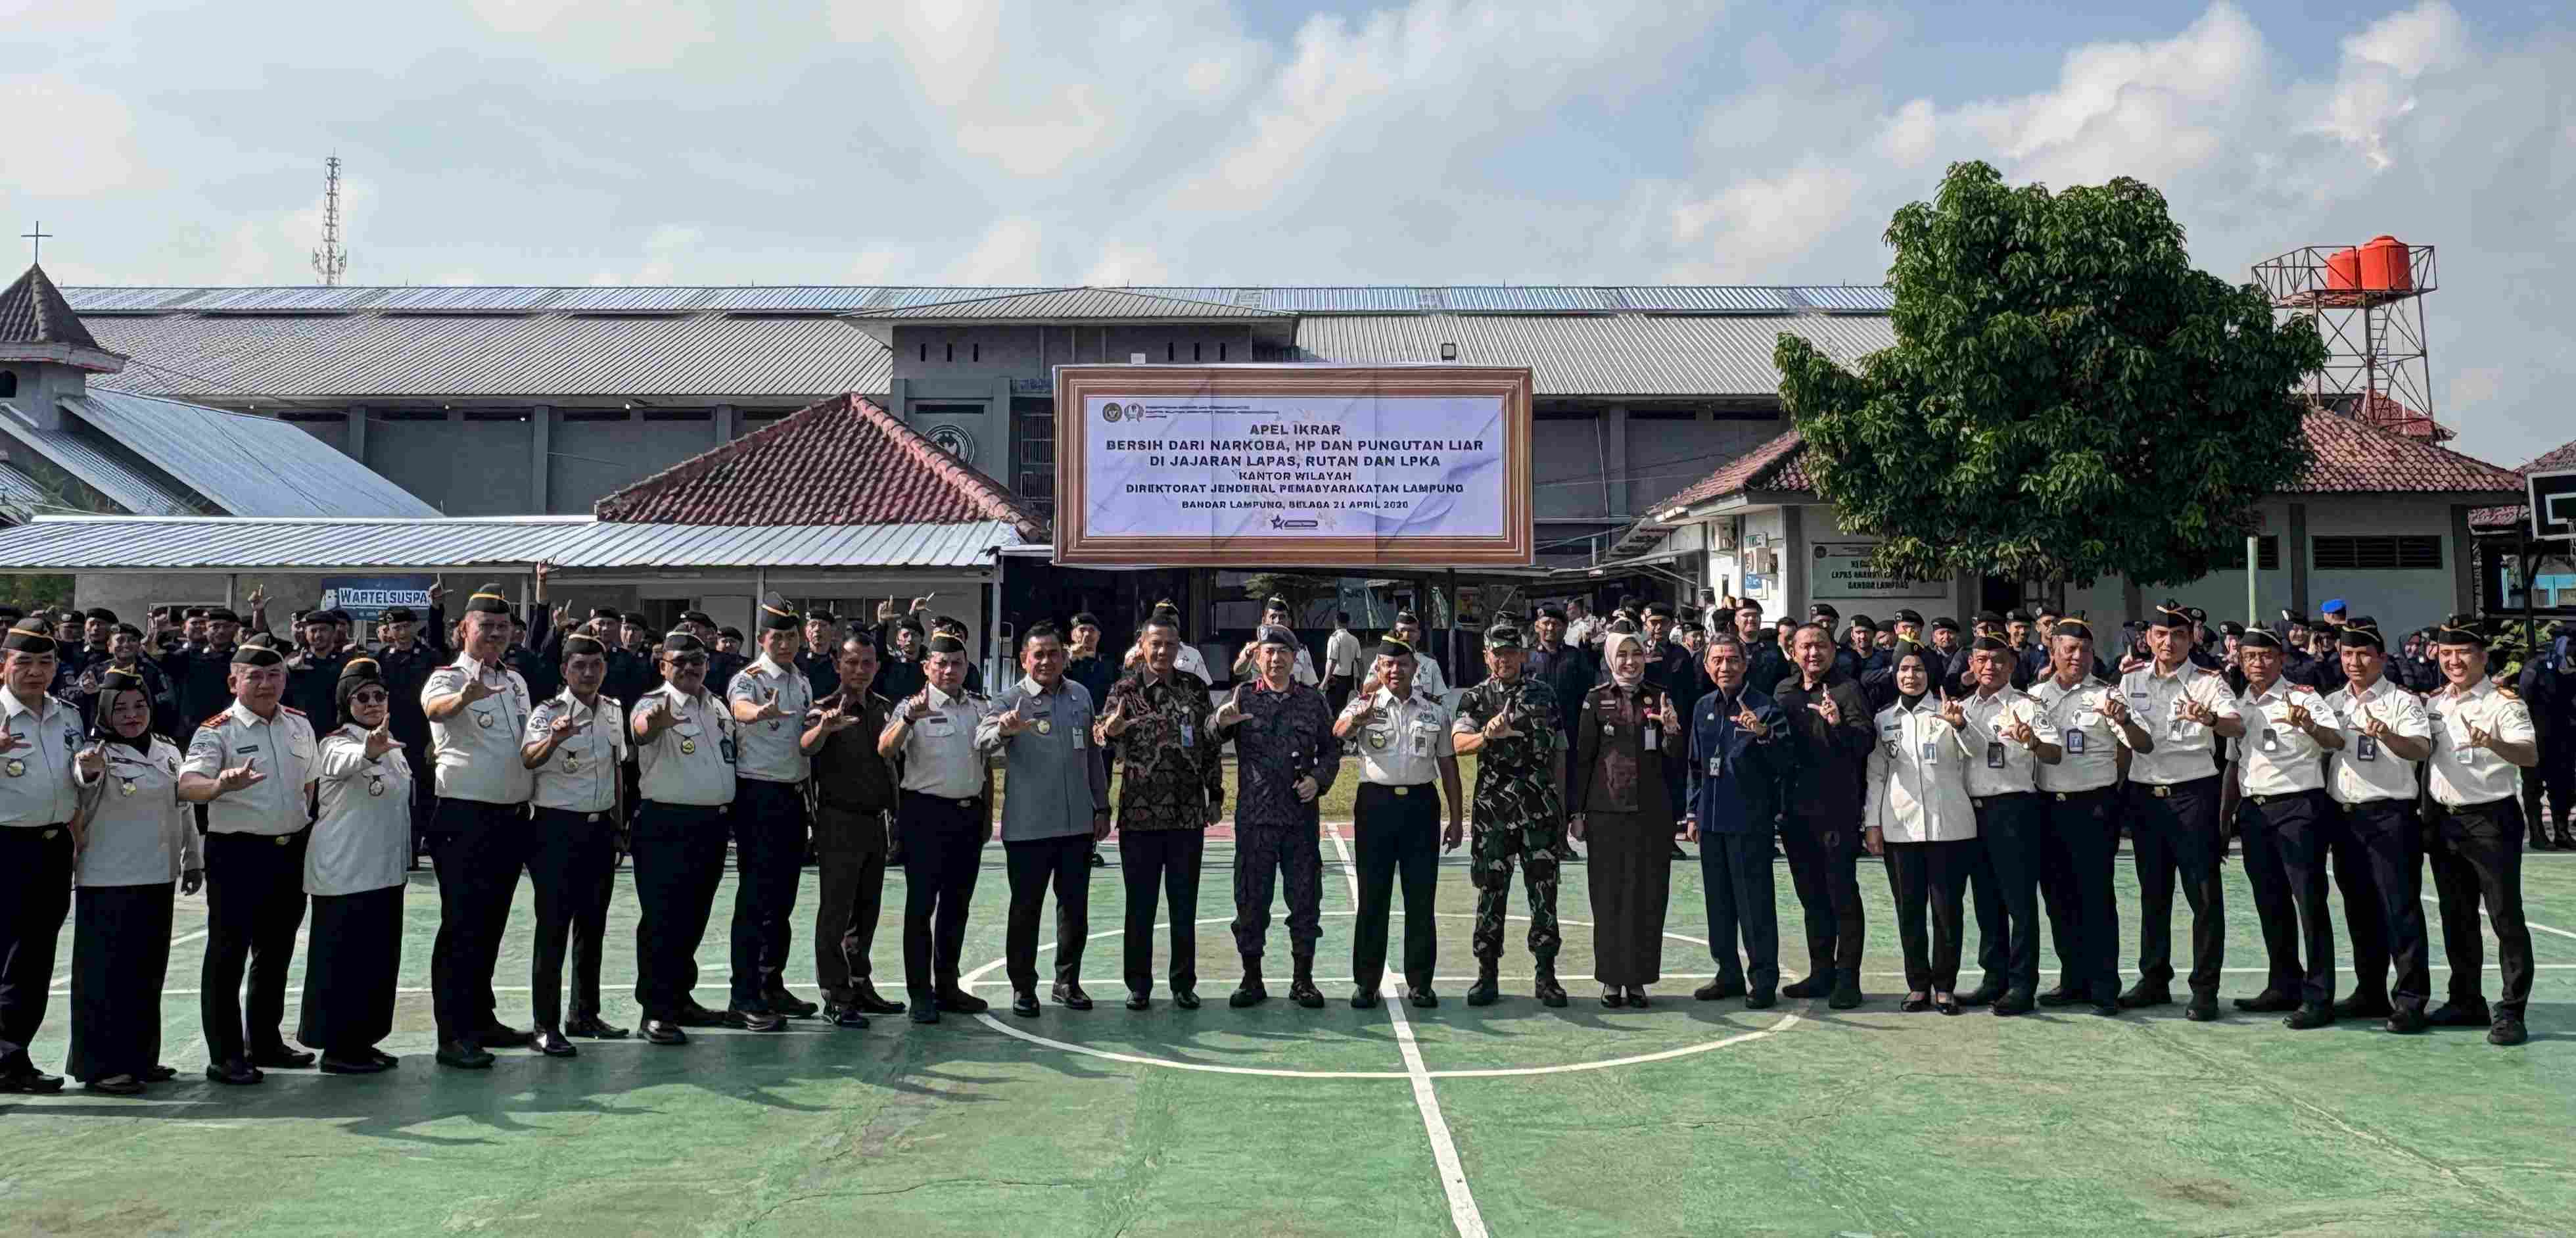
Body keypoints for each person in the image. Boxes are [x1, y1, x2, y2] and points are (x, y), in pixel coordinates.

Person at [177, 640, 320, 1085]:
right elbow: (188, 785)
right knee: (227, 954)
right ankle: (225, 1054)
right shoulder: (216, 730)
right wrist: (220, 783)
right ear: (233, 680)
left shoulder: (298, 724)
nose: (265, 683)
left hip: (289, 850)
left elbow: (311, 783)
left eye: (274, 675)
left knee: (276, 951)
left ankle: (265, 1040)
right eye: (254, 675)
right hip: (238, 852)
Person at [418, 584, 539, 1070]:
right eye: (484, 627)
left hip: (510, 819)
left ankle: (481, 1018)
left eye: (502, 628)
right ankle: (453, 1034)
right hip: (464, 819)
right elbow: (434, 710)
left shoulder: (515, 682)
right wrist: (465, 696)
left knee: (491, 925)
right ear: (462, 630)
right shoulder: (446, 677)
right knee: (461, 928)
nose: (494, 634)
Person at [63, 668, 200, 1094]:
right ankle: (101, 1065)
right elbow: (80, 792)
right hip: (108, 879)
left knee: (146, 973)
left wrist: (193, 859)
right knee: (104, 977)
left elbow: (185, 809)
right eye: (119, 708)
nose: (131, 715)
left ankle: (141, 1056)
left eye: (139, 705)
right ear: (104, 712)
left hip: (158, 875)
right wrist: (86, 772)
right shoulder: (95, 752)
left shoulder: (168, 751)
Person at [2118, 600, 2245, 1022]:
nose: (2168, 642)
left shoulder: (2209, 681)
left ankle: (2204, 988)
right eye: (2160, 635)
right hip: (2144, 796)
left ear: (2191, 638)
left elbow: (2234, 725)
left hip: (2194, 796)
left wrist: (2209, 718)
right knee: (2154, 895)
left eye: (2177, 635)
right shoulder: (2130, 679)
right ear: (2148, 639)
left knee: (2203, 896)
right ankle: (2154, 978)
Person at [978, 624, 1111, 1018]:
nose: (1047, 661)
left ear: (1064, 656)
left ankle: (1067, 982)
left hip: (1076, 828)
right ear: (1024, 660)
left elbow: (1091, 758)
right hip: (1029, 829)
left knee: (1074, 909)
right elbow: (982, 741)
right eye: (1039, 654)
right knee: (1026, 910)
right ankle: (1023, 987)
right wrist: (1003, 729)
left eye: (1054, 653)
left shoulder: (1080, 696)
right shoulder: (1009, 701)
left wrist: (1101, 807)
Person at [2421, 616, 2540, 1047]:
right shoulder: (2435, 704)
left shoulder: (2504, 703)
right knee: (2456, 916)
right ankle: (2465, 998)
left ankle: (2511, 1009)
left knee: (2505, 916)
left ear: (2481, 657)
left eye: (2463, 652)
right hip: (2445, 820)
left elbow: (2527, 755)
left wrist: (2494, 743)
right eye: (2446, 652)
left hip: (2490, 819)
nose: (2454, 660)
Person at [294, 659, 413, 1075]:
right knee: (341, 965)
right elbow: (342, 764)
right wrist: (369, 749)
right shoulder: (335, 743)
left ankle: (364, 1039)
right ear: (347, 702)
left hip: (384, 872)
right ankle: (338, 1048)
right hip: (345, 874)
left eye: (379, 695)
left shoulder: (392, 743)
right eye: (362, 697)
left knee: (377, 963)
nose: (372, 703)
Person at [1100, 614, 1223, 1009]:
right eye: (1156, 643)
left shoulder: (1194, 689)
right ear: (1143, 644)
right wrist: (1113, 730)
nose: (1163, 651)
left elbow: (1209, 745)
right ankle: (1138, 985)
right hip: (1139, 816)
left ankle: (1183, 983)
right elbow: (1101, 733)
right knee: (1140, 905)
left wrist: (1216, 795)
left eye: (1170, 644)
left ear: (1179, 647)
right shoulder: (1124, 689)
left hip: (1187, 816)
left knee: (1184, 905)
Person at [1333, 636, 1463, 1008]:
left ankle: (1420, 983)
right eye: (1387, 664)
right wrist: (1356, 718)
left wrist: (1456, 819)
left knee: (1421, 900)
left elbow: (1449, 767)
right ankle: (1367, 983)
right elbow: (1338, 731)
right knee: (1374, 898)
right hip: (1375, 806)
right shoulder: (1364, 705)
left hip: (1421, 807)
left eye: (1402, 664)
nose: (1394, 670)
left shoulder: (1434, 712)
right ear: (1378, 669)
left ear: (1414, 669)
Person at [2319, 619, 2435, 1033]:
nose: (2354, 661)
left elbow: (2421, 748)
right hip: (2345, 817)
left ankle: (2410, 998)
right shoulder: (2332, 702)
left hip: (2389, 817)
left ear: (2382, 658)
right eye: (2348, 654)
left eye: (2364, 654)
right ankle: (2370, 990)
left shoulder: (2402, 701)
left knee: (2399, 908)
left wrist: (2387, 736)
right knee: (2360, 909)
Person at [2222, 629, 2341, 1029]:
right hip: (2255, 814)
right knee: (2270, 903)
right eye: (2249, 657)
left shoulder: (2304, 698)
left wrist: (2309, 725)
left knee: (2309, 903)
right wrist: (2225, 819)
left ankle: (2319, 994)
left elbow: (2335, 740)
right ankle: (2283, 984)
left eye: (2266, 656)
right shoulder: (2239, 706)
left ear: (2281, 659)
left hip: (2298, 809)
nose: (2257, 663)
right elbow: (2233, 764)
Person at [1218, 625, 1340, 1009]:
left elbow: (1334, 749)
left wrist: (1318, 780)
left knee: (1305, 902)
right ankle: (1251, 979)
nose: (1276, 659)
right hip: (1255, 820)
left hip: (1299, 821)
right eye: (1269, 652)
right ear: (1258, 657)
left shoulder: (1312, 701)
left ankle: (1303, 980)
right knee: (1252, 903)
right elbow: (1211, 736)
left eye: (1283, 653)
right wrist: (1219, 722)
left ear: (1295, 658)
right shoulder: (1242, 697)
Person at [1449, 621, 1569, 1007]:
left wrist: (1564, 808)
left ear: (1523, 655)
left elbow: (1561, 752)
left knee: (1544, 895)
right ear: (1487, 656)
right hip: (1493, 814)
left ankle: (1546, 975)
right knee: (1490, 893)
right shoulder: (1475, 699)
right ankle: (1487, 975)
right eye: (1497, 653)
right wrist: (1488, 735)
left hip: (1540, 811)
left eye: (1512, 652)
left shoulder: (1544, 695)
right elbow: (1458, 743)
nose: (1505, 659)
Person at [521, 634, 631, 1052]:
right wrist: (554, 739)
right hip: (555, 830)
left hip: (599, 830)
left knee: (593, 925)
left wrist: (619, 825)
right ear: (565, 670)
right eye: (580, 666)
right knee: (553, 928)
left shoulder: (613, 710)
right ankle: (544, 1025)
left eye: (596, 666)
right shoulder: (548, 712)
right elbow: (529, 758)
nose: (589, 674)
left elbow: (617, 770)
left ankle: (584, 1012)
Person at [628, 630, 740, 1045]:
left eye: (697, 661)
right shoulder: (653, 703)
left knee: (694, 918)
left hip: (711, 827)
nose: (690, 668)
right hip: (665, 826)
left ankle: (680, 997)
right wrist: (652, 724)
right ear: (664, 667)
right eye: (680, 662)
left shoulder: (717, 707)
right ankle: (655, 1011)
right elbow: (641, 729)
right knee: (662, 920)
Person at [879, 634, 992, 1024]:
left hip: (967, 816)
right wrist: (909, 718)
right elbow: (886, 749)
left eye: (956, 664)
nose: (948, 671)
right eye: (940, 664)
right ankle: (919, 993)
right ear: (927, 667)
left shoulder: (979, 706)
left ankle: (947, 985)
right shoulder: (911, 707)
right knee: (921, 908)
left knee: (956, 908)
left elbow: (993, 758)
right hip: (925, 817)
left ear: (965, 667)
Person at [1568, 631, 1683, 1007]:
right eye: (1623, 655)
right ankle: (1611, 981)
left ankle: (1638, 981)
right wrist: (1577, 812)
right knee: (1608, 898)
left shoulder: (1659, 696)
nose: (1630, 661)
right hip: (1606, 813)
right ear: (1610, 658)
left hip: (1652, 814)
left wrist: (1671, 731)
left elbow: (1675, 758)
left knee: (1649, 897)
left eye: (1636, 653)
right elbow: (1583, 760)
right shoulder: (1595, 700)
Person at [2026, 619, 2134, 1018]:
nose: (2077, 657)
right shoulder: (2035, 696)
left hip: (2093, 808)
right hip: (2047, 808)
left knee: (2096, 898)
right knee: (2058, 899)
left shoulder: (2108, 696)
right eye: (2069, 649)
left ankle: (2105, 985)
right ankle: (2073, 979)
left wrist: (2109, 788)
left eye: (2085, 651)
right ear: (2053, 651)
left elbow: (2126, 750)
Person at [0, 624, 90, 1096]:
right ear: (5, 665)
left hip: (52, 846)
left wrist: (88, 775)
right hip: (4, 845)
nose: (36, 673)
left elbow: (74, 775)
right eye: (25, 663)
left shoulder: (69, 714)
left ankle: (13, 1054)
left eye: (45, 664)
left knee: (34, 960)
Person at [1954, 636, 2063, 1015]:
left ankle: (2021, 984)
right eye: (1982, 659)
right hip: (1973, 813)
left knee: (2019, 903)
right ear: (1971, 662)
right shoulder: (1963, 708)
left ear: (2012, 665)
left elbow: (2055, 752)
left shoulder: (2027, 706)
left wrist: (2032, 740)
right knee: (1986, 901)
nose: (1989, 667)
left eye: (1998, 661)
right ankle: (1993, 977)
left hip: (2014, 809)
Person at [1865, 647, 1977, 1014]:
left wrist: (1959, 724)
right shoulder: (1883, 720)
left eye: (1918, 669)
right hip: (1901, 828)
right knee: (1909, 910)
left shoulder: (1952, 711)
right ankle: (1917, 984)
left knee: (1947, 911)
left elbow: (1975, 753)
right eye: (1903, 669)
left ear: (1930, 673)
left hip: (1950, 827)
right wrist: (1873, 823)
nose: (1910, 676)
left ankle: (1945, 986)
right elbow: (1877, 775)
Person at [724, 594, 817, 1030]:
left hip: (792, 796)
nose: (785, 643)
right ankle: (743, 994)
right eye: (777, 636)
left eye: (791, 635)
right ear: (762, 638)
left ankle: (771, 983)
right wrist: (757, 712)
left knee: (783, 899)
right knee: (754, 898)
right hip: (757, 795)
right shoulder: (750, 678)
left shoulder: (801, 681)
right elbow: (739, 708)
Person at [1772, 623, 1873, 1009]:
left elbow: (1864, 743)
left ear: (1833, 649)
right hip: (1796, 812)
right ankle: (1821, 973)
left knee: (1842, 896)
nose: (1813, 654)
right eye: (1805, 648)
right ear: (1793, 652)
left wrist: (1838, 725)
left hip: (1837, 811)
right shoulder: (1785, 692)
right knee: (1811, 897)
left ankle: (1848, 978)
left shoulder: (1848, 691)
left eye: (1820, 646)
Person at [1684, 631, 1787, 1007]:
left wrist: (1763, 734)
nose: (1725, 667)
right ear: (1708, 667)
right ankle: (1727, 972)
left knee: (1754, 904)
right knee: (1719, 903)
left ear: (1745, 665)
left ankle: (1762, 979)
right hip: (1710, 821)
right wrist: (1693, 812)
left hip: (1749, 821)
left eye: (1732, 660)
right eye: (1718, 661)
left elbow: (1783, 762)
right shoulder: (1702, 707)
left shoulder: (1764, 707)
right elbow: (1695, 764)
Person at [807, 632, 904, 1026]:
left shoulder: (884, 709)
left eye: (867, 663)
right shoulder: (823, 709)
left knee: (866, 912)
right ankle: (835, 995)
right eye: (851, 662)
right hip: (838, 823)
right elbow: (806, 747)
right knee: (835, 912)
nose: (860, 670)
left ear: (877, 667)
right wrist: (825, 729)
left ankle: (860, 984)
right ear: (837, 665)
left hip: (875, 823)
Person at [373, 603, 448, 868]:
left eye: (406, 626)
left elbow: (440, 700)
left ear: (415, 627)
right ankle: (396, 848)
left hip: (422, 736)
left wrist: (434, 739)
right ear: (389, 630)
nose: (401, 632)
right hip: (391, 737)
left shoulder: (431, 657)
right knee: (393, 791)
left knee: (423, 794)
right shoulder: (382, 658)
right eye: (396, 627)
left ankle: (415, 847)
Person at [1232, 596, 1319, 687]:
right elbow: (1238, 671)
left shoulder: (1300, 650)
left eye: (1282, 617)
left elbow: (1310, 682)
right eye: (1273, 617)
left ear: (1289, 622)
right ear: (1264, 620)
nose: (1277, 621)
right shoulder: (1255, 648)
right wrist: (1248, 655)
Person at [1388, 610, 1448, 702]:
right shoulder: (1383, 662)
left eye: (1411, 631)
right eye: (1402, 630)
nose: (1407, 635)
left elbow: (1441, 701)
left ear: (1419, 635)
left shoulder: (1430, 664)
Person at [1324, 609, 1364, 715]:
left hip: (1334, 680)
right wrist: (1362, 681)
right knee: (1342, 710)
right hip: (1347, 680)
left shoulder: (1334, 638)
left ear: (1336, 622)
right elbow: (1360, 662)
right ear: (1348, 623)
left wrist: (1324, 682)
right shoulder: (1354, 639)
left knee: (1331, 711)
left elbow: (1332, 662)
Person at [797, 610, 842, 700]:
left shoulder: (840, 660)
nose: (817, 629)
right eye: (812, 625)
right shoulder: (796, 658)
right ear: (806, 630)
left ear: (833, 630)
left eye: (823, 625)